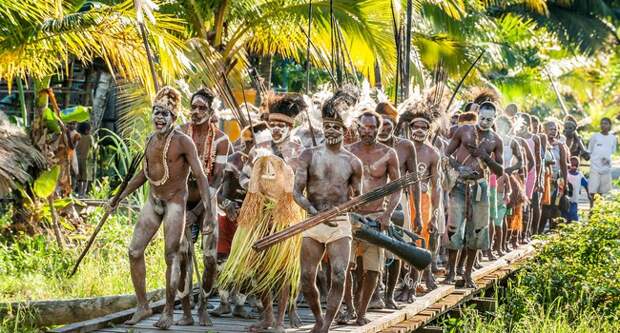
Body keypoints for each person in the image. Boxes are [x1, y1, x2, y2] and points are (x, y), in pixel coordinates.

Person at [110, 86, 213, 329]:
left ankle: (168, 311)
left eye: (165, 113)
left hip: (175, 203)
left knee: (172, 256)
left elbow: (201, 176)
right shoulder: (150, 141)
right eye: (156, 112)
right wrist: (119, 196)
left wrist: (207, 214)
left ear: (174, 118)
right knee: (134, 251)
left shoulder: (183, 142)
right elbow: (143, 175)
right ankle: (143, 305)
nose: (159, 117)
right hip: (153, 201)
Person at [294, 90, 363, 333]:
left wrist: (349, 206)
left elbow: (358, 198)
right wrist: (311, 210)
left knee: (339, 274)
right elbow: (297, 192)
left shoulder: (353, 162)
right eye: (327, 126)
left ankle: (328, 323)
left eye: (336, 127)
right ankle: (318, 318)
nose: (332, 131)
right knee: (306, 276)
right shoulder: (308, 155)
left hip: (340, 222)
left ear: (345, 130)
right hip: (312, 221)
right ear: (322, 127)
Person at [218, 148, 304, 333]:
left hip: (283, 224)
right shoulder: (256, 168)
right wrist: (252, 220)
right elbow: (252, 197)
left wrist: (277, 217)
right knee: (258, 270)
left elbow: (290, 202)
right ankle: (268, 317)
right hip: (260, 223)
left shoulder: (287, 171)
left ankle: (280, 322)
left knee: (283, 273)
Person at [179, 88, 232, 326]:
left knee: (210, 258)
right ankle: (187, 311)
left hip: (207, 205)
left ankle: (203, 304)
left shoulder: (221, 140)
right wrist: (181, 209)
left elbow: (218, 179)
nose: (196, 112)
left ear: (211, 112)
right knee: (183, 257)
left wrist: (196, 212)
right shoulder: (179, 133)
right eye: (194, 107)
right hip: (181, 200)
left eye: (202, 108)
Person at [347, 110, 401, 325]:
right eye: (364, 127)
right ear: (358, 127)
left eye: (372, 127)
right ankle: (348, 307)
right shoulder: (348, 152)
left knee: (372, 269)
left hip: (376, 217)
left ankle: (361, 313)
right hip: (351, 216)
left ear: (379, 129)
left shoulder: (388, 153)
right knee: (345, 267)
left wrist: (387, 215)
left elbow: (397, 188)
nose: (367, 131)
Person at [445, 102, 504, 288]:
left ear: (495, 119)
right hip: (459, 185)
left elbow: (500, 171)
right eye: (483, 118)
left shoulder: (496, 140)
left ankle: (468, 273)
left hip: (480, 188)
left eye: (489, 119)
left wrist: (485, 156)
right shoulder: (463, 131)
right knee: (454, 229)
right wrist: (458, 168)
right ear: (478, 114)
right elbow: (446, 154)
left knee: (477, 231)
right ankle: (451, 272)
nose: (485, 122)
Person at [375, 101, 423, 309]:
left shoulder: (405, 146)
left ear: (395, 124)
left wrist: (418, 213)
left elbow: (414, 180)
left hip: (398, 201)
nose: (384, 128)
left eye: (388, 124)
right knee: (371, 248)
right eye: (381, 123)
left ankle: (389, 295)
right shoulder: (366, 144)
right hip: (371, 200)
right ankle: (373, 293)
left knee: (396, 248)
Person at [539, 120, 568, 232]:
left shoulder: (560, 146)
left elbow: (564, 165)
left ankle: (554, 231)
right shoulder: (541, 143)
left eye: (555, 129)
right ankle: (539, 231)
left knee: (556, 206)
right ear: (544, 130)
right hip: (545, 179)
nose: (553, 131)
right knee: (545, 206)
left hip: (558, 180)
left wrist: (565, 182)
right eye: (551, 129)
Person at [588, 117, 616, 198]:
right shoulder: (595, 136)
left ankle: (599, 209)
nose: (603, 125)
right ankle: (591, 208)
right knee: (592, 190)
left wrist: (608, 161)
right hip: (595, 167)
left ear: (610, 125)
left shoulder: (613, 138)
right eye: (602, 123)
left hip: (606, 168)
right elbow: (589, 150)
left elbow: (612, 152)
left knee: (602, 192)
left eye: (605, 123)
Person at [563, 157, 589, 223]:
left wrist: (588, 194)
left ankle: (574, 228)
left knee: (574, 216)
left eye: (576, 165)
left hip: (574, 200)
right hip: (565, 200)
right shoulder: (566, 174)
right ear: (569, 165)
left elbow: (586, 185)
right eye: (572, 164)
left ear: (578, 165)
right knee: (565, 216)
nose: (574, 166)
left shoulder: (580, 175)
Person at [75, 122, 93, 197]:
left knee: (79, 177)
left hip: (77, 159)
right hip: (86, 159)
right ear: (86, 130)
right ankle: (84, 193)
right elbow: (92, 146)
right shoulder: (89, 138)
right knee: (86, 177)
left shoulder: (77, 136)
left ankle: (79, 193)